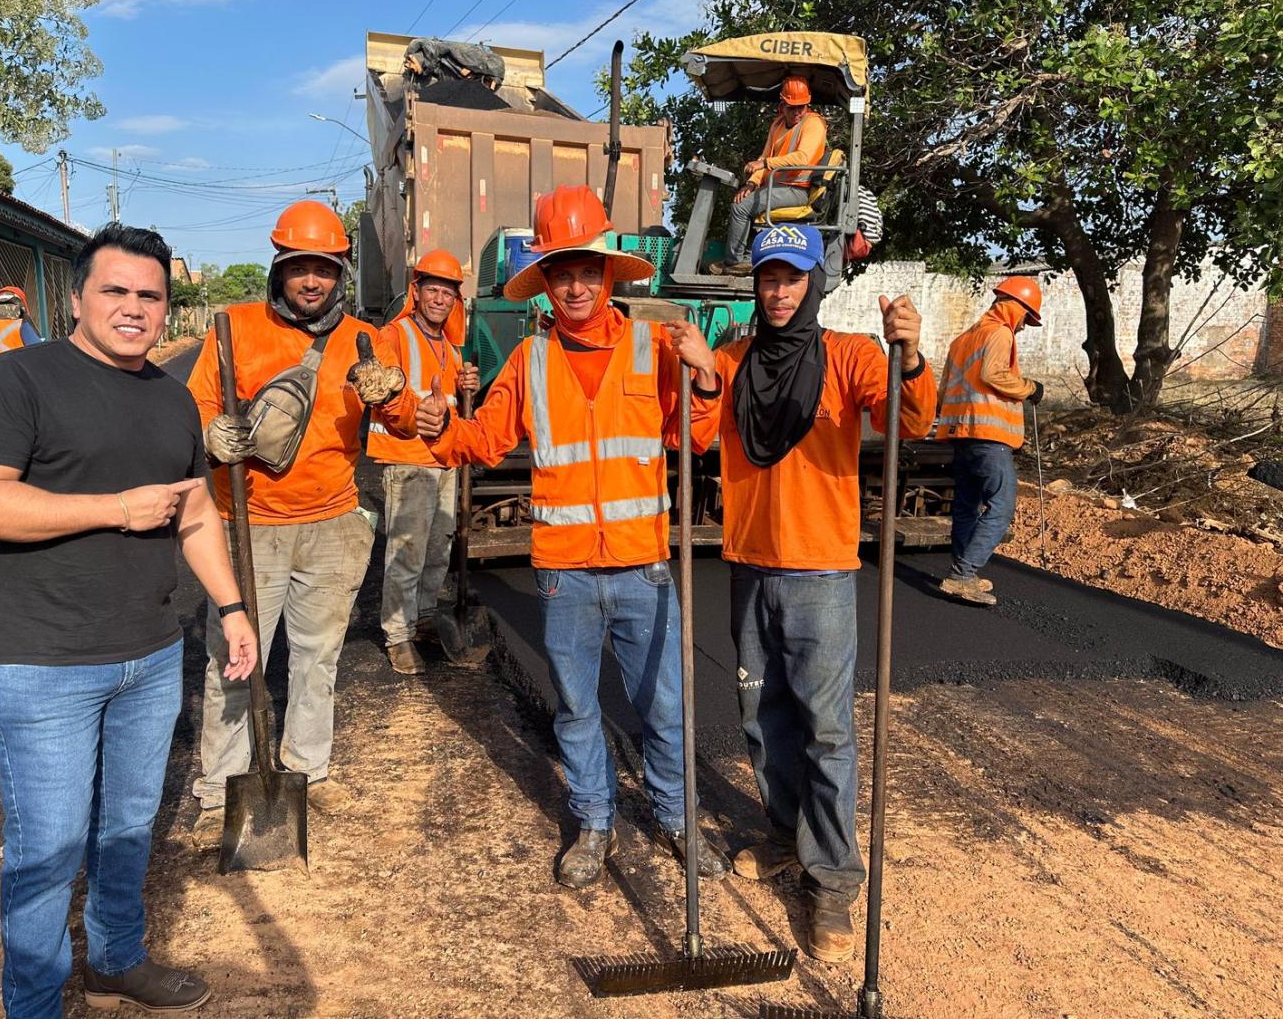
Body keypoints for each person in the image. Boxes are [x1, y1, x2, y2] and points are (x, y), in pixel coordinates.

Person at [0, 224, 259, 1018]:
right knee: (47, 849)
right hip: (42, 661)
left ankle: (116, 959)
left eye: (150, 295)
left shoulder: (172, 398)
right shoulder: (17, 380)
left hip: (148, 656)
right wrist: (115, 508)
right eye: (115, 290)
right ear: (77, 298)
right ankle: (35, 1002)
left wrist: (231, 606)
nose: (133, 307)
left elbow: (195, 513)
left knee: (126, 828)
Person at [415, 184, 730, 889]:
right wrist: (436, 428)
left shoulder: (656, 348)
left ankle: (677, 819)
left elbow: (695, 436)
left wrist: (707, 376)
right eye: (563, 274)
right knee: (578, 708)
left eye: (589, 271)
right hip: (564, 574)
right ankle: (594, 821)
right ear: (546, 282)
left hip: (643, 568)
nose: (577, 286)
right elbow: (482, 440)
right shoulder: (529, 361)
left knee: (664, 706)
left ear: (608, 275)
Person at [690, 224, 936, 963]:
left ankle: (831, 878)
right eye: (768, 277)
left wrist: (910, 357)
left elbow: (909, 419)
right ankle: (784, 832)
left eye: (792, 278)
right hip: (749, 564)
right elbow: (693, 438)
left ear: (814, 283)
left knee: (826, 730)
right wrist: (702, 377)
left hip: (822, 571)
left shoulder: (852, 356)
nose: (778, 291)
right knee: (761, 717)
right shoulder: (732, 360)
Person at [187, 199, 418, 842]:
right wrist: (209, 434)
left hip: (333, 523)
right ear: (279, 269)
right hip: (248, 525)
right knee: (235, 659)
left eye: (324, 268)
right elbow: (197, 402)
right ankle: (221, 785)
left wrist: (393, 395)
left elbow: (403, 426)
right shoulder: (234, 327)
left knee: (318, 657)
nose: (311, 281)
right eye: (299, 267)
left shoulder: (366, 339)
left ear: (341, 272)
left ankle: (308, 766)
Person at [367, 249, 480, 674]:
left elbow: (450, 403)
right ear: (416, 292)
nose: (440, 299)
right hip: (408, 458)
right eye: (433, 290)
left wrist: (468, 388)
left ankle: (425, 615)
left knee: (438, 547)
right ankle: (398, 635)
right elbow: (386, 394)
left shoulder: (449, 348)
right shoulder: (394, 336)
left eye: (448, 294)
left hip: (443, 460)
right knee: (407, 552)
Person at [934, 275, 1045, 606]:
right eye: (1026, 318)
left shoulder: (962, 340)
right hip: (989, 438)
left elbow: (943, 391)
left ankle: (962, 572)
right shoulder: (999, 333)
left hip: (961, 435)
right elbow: (993, 374)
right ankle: (962, 575)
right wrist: (1030, 388)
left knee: (966, 505)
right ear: (1016, 307)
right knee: (1002, 505)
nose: (1023, 327)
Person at [710, 75, 829, 276]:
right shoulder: (777, 125)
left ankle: (734, 262)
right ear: (782, 105)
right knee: (743, 198)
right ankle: (748, 257)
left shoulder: (814, 123)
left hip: (799, 190)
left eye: (802, 107)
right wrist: (751, 184)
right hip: (777, 187)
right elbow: (765, 157)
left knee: (740, 208)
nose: (798, 112)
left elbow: (802, 158)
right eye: (792, 107)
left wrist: (765, 164)